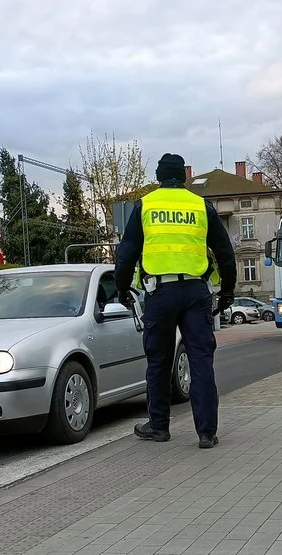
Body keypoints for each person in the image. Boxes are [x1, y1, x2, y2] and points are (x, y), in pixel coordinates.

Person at [114, 153, 236, 449]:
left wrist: (121, 289)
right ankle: (206, 432)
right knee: (201, 360)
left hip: (160, 292)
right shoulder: (200, 206)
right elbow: (225, 252)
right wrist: (228, 292)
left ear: (159, 176)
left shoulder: (146, 205)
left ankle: (159, 426)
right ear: (183, 176)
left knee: (159, 359)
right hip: (196, 292)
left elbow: (127, 252)